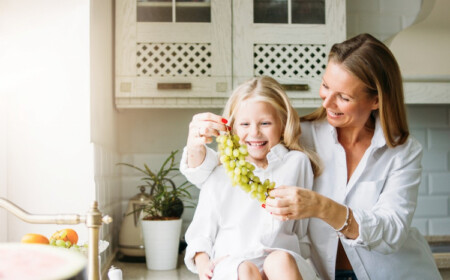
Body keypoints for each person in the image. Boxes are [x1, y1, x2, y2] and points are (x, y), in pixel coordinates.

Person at [180, 34, 441, 280]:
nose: (327, 104)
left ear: (375, 100)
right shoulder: (298, 135)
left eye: (343, 97)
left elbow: (392, 231)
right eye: (326, 86)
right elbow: (217, 174)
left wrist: (322, 207)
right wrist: (197, 144)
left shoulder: (403, 152)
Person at [183, 76, 320, 280]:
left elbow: (302, 228)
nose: (254, 132)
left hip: (283, 262)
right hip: (233, 264)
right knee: (244, 269)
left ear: (282, 123)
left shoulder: (297, 164)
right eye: (245, 124)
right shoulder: (221, 173)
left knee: (280, 260)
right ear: (232, 128)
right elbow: (201, 233)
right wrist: (205, 266)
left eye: (265, 123)